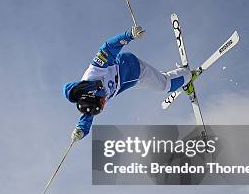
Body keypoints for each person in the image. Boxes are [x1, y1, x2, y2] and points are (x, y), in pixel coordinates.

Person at [63, 26, 196, 141]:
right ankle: (173, 76)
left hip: (134, 69)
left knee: (165, 86)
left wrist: (129, 35)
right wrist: (80, 130)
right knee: (158, 81)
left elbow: (108, 49)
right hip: (132, 78)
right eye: (102, 105)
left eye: (101, 101)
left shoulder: (93, 74)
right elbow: (87, 116)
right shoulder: (90, 100)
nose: (104, 102)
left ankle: (187, 74)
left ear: (92, 94)